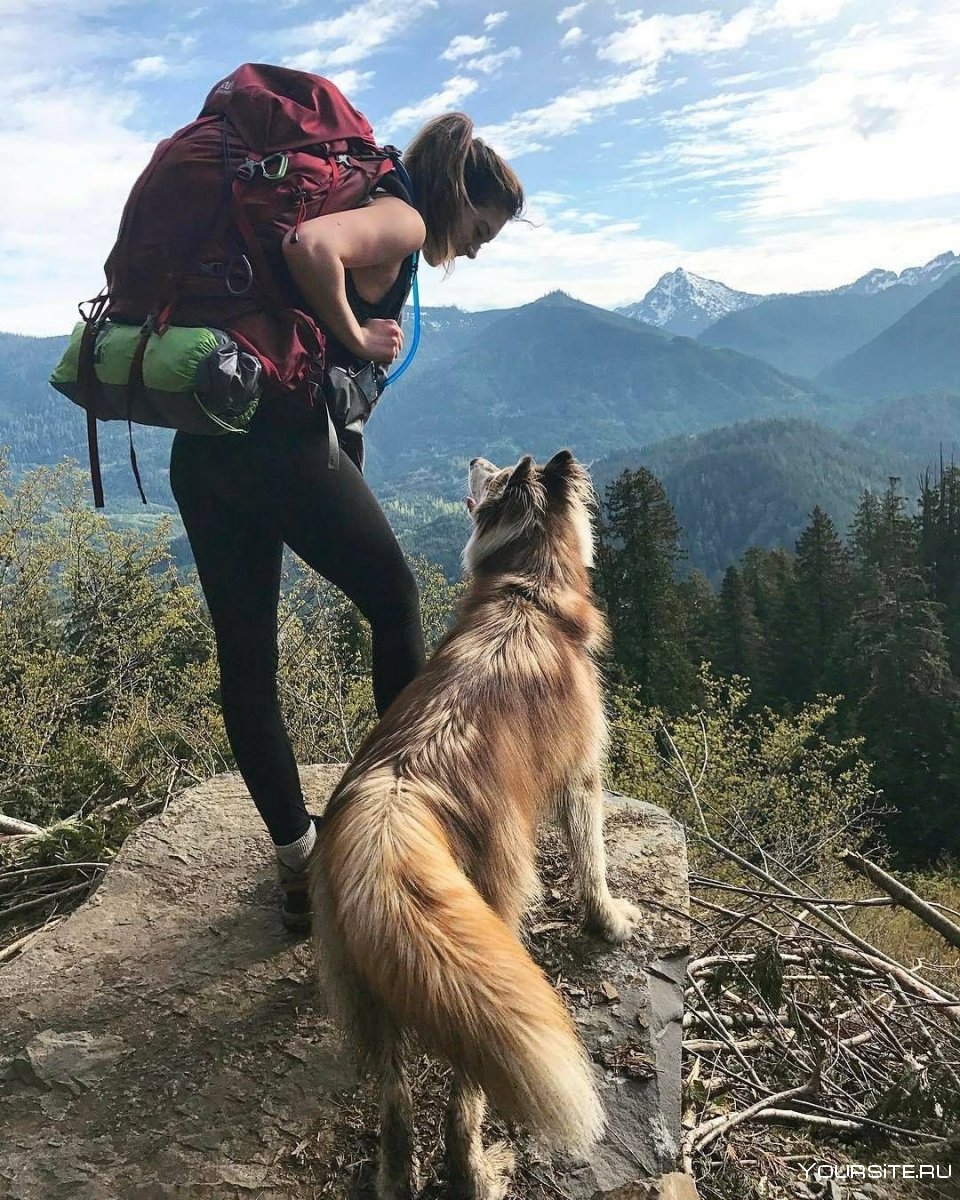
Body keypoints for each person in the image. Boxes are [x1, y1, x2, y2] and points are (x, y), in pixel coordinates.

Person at [169, 111, 524, 933]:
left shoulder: (373, 197)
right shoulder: (401, 213)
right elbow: (311, 249)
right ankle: (404, 836)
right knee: (396, 601)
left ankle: (299, 866)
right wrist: (354, 329)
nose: (471, 249)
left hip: (207, 447)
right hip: (279, 444)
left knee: (247, 659)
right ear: (455, 195)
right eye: (478, 231)